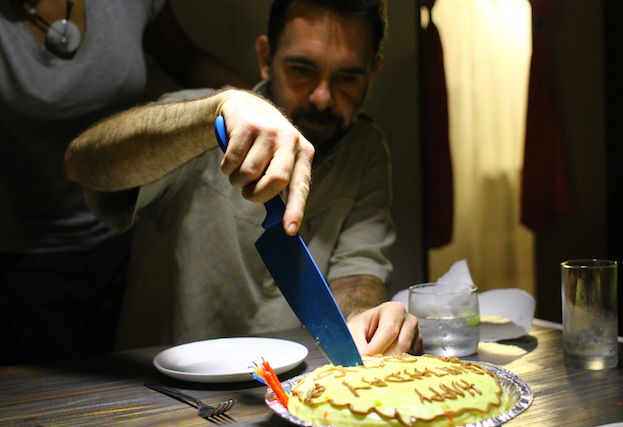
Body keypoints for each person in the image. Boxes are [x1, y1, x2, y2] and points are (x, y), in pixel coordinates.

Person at [64, 0, 422, 356]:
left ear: (372, 75)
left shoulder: (367, 150)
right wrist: (212, 114)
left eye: (347, 77)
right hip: (163, 389)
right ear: (266, 58)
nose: (322, 97)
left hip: (291, 386)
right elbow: (82, 165)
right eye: (302, 69)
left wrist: (363, 317)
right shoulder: (197, 121)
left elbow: (358, 268)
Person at [0, 0, 250, 365]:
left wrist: (266, 107)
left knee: (128, 389)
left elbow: (184, 57)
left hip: (125, 228)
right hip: (23, 253)